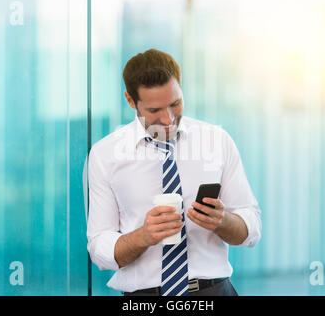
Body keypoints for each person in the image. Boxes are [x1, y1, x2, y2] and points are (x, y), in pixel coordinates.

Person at [87, 48, 262, 296]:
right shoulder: (105, 154)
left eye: (175, 104)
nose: (168, 119)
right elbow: (99, 247)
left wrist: (223, 221)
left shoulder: (217, 141)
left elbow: (252, 229)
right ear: (130, 101)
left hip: (213, 292)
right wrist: (143, 236)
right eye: (154, 111)